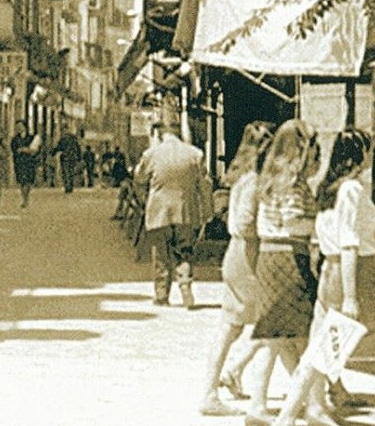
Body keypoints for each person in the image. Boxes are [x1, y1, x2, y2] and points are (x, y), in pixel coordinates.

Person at [273, 129, 375, 426]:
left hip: (332, 273)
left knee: (319, 356)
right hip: (354, 277)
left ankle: (285, 420)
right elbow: (349, 241)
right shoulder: (351, 189)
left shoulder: (331, 189)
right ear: (358, 154)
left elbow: (323, 235)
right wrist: (351, 296)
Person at [245, 119, 333, 426]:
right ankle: (314, 406)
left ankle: (258, 405)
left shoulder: (269, 179)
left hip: (269, 258)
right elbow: (294, 222)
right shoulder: (293, 185)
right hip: (288, 258)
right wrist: (324, 225)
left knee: (273, 338)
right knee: (311, 336)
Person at [200, 121, 275, 416]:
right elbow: (244, 223)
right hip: (248, 257)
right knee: (260, 325)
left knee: (241, 326)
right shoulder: (254, 181)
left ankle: (227, 376)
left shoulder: (243, 177)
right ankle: (217, 390)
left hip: (239, 256)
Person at [133, 121, 213, 309]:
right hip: (185, 211)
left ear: (160, 135)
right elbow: (205, 185)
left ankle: (162, 295)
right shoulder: (195, 154)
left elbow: (139, 177)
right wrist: (208, 212)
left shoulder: (151, 154)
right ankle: (185, 285)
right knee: (184, 251)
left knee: (161, 254)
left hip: (159, 213)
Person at [11, 120, 38, 208]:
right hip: (19, 162)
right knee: (21, 181)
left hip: (29, 162)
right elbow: (14, 149)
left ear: (25, 127)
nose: (19, 128)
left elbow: (35, 150)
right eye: (17, 126)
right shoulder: (15, 139)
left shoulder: (31, 137)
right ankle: (24, 198)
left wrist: (26, 150)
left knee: (29, 181)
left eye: (20, 126)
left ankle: (26, 197)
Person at [54, 126, 81, 194]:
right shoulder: (74, 138)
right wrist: (79, 157)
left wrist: (52, 153)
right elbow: (78, 147)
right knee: (71, 172)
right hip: (73, 157)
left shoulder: (63, 138)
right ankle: (70, 186)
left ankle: (67, 187)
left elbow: (59, 147)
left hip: (65, 157)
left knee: (66, 172)